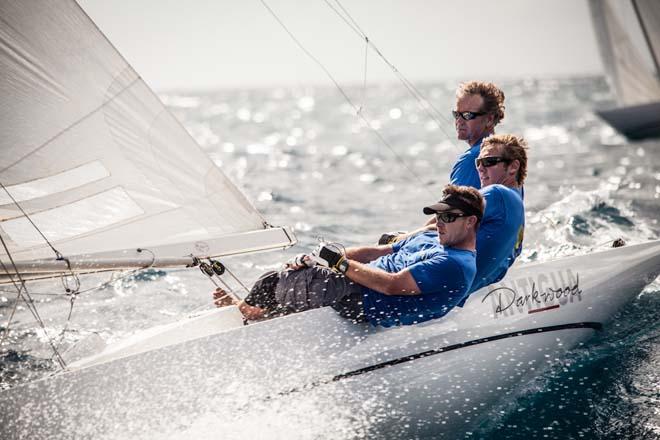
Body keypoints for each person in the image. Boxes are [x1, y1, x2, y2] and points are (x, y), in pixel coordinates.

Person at [214, 185, 485, 327]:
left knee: (270, 283)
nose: (439, 223)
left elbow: (391, 285)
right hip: (356, 283)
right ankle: (257, 309)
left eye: (448, 217)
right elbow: (375, 252)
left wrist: (340, 264)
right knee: (294, 283)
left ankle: (245, 311)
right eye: (438, 216)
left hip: (364, 300)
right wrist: (323, 259)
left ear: (471, 222)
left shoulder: (455, 265)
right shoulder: (430, 235)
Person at [383, 134, 527, 298]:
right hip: (465, 291)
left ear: (513, 166)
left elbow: (449, 217)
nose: (480, 168)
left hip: (425, 286)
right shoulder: (517, 202)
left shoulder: (495, 193)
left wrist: (402, 239)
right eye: (478, 163)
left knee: (385, 243)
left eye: (488, 162)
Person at [450, 81, 506, 189]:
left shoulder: (472, 160)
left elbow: (454, 205)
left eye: (467, 115)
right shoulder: (508, 156)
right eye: (456, 114)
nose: (459, 121)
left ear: (489, 119)